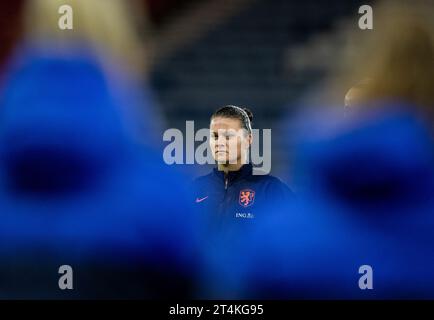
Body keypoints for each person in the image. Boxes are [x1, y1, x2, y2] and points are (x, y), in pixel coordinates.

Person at [191, 105, 294, 236]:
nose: (220, 142)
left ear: (248, 139)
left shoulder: (271, 190)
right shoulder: (195, 189)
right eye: (215, 136)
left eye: (228, 136)